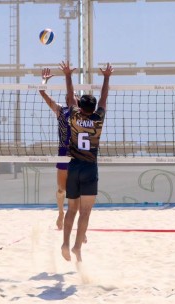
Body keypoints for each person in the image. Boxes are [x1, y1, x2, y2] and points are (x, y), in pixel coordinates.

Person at [60, 60, 113, 262]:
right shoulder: (98, 119)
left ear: (80, 107)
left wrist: (67, 75)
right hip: (90, 169)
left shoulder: (73, 115)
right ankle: (76, 247)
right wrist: (107, 77)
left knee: (71, 209)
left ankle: (65, 242)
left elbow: (70, 97)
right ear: (92, 108)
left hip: (73, 167)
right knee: (85, 212)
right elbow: (104, 99)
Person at [39, 68, 73, 230]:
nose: (70, 97)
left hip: (78, 155)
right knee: (61, 189)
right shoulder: (61, 111)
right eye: (68, 96)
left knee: (76, 192)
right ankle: (60, 213)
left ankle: (72, 218)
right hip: (63, 153)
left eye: (73, 96)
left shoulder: (81, 113)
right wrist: (44, 81)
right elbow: (42, 93)